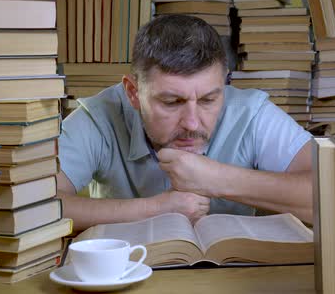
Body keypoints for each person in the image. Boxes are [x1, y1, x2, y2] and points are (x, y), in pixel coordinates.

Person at [57, 15, 313, 231]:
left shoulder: (250, 113)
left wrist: (218, 180)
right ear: (134, 93)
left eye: (208, 100)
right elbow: (31, 209)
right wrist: (155, 209)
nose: (191, 123)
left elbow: (334, 194)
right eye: (171, 102)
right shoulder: (99, 116)